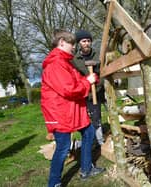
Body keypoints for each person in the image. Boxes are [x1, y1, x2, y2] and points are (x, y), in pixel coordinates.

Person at [41, 29, 104, 187]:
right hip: (60, 112)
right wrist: (87, 82)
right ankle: (54, 183)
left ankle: (86, 169)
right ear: (61, 42)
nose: (74, 47)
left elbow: (76, 79)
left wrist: (89, 79)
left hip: (72, 109)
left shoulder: (64, 62)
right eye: (71, 44)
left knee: (89, 133)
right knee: (63, 147)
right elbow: (68, 89)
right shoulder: (55, 64)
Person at [72, 30, 105, 146]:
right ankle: (99, 142)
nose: (86, 43)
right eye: (83, 41)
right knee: (95, 117)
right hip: (89, 94)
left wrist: (100, 80)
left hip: (102, 90)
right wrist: (87, 81)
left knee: (112, 112)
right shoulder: (75, 60)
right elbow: (76, 78)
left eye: (88, 41)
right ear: (79, 43)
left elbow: (104, 71)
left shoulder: (98, 55)